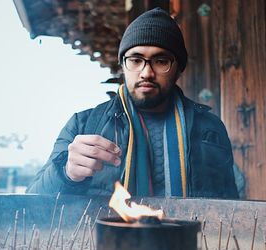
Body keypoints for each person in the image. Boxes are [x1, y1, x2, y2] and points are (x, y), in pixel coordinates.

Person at [27, 7, 238, 199]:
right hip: (107, 241)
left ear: (178, 69)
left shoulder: (210, 129)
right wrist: (66, 173)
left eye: (161, 61)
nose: (147, 73)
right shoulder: (83, 125)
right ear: (123, 66)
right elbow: (32, 202)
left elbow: (230, 211)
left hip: (187, 240)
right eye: (136, 60)